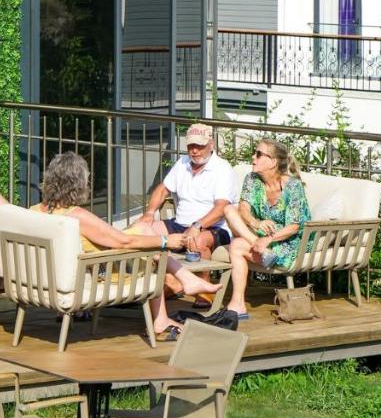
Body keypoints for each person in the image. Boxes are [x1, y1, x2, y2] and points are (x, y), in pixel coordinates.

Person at [30, 152, 221, 338]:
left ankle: (185, 280)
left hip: (50, 280)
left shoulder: (34, 211)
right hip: (100, 273)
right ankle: (165, 314)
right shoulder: (77, 215)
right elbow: (123, 241)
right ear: (77, 184)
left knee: (142, 230)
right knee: (148, 246)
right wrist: (165, 241)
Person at [131, 122, 237, 309]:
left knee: (197, 241)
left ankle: (204, 290)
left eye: (199, 146)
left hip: (214, 227)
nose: (194, 151)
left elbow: (221, 208)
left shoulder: (222, 169)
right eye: (191, 146)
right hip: (179, 223)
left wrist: (197, 226)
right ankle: (147, 282)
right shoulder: (182, 163)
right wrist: (149, 213)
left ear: (211, 144)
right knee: (139, 230)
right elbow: (162, 189)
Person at [221, 138, 312, 320]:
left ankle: (238, 304)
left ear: (273, 162)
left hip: (287, 241)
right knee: (229, 209)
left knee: (237, 245)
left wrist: (268, 240)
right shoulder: (252, 179)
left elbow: (294, 227)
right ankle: (238, 303)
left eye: (259, 154)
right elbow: (243, 208)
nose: (253, 158)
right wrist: (255, 224)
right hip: (260, 236)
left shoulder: (293, 186)